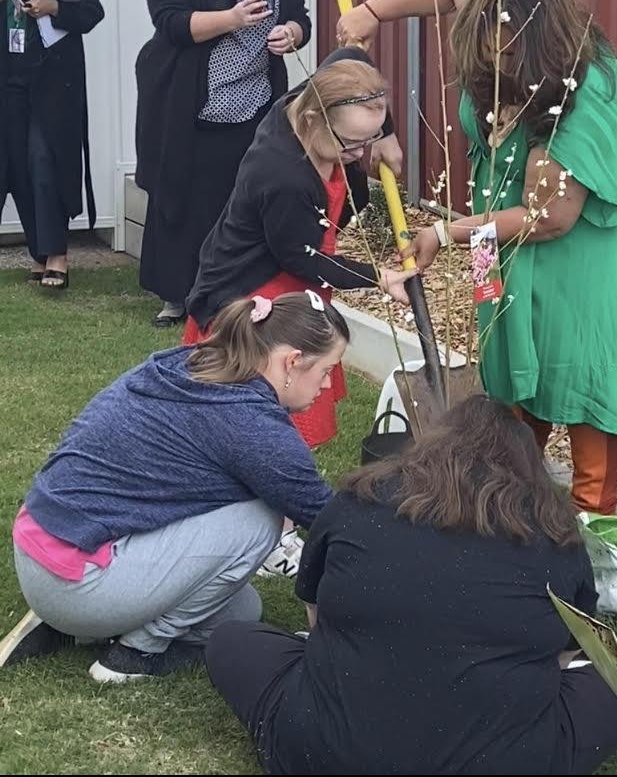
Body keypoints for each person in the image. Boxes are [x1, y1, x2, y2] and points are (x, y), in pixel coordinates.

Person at [206, 396, 617, 775]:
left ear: (430, 446)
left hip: (326, 752)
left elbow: (316, 619)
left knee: (232, 639)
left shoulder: (357, 501)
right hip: (503, 759)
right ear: (530, 470)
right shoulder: (557, 536)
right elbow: (562, 658)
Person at [337, 0, 617, 517]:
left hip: (568, 265)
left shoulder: (583, 94)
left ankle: (598, 547)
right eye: (485, 49)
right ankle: (512, 514)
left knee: (581, 393)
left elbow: (548, 216)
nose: (493, 62)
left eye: (509, 55)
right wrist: (371, 12)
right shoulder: (498, 12)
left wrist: (445, 230)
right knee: (507, 378)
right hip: (493, 248)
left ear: (543, 44)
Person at [0, 291, 346, 683]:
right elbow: (331, 519)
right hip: (76, 578)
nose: (327, 385)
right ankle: (133, 655)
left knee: (241, 612)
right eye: (327, 370)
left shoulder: (190, 363)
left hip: (42, 547)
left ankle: (74, 627)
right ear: (293, 361)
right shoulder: (251, 424)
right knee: (262, 520)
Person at [184, 48, 410, 451]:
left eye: (368, 140)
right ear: (313, 120)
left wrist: (386, 134)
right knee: (261, 431)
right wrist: (378, 277)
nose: (361, 155)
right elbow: (302, 257)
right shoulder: (281, 174)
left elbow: (352, 55)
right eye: (353, 144)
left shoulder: (316, 98)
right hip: (257, 294)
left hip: (297, 280)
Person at [135, 0, 312, 328]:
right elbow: (171, 23)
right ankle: (177, 294)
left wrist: (290, 33)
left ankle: (237, 292)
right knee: (183, 195)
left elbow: (300, 16)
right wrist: (232, 18)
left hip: (256, 102)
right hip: (190, 105)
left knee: (242, 201)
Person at [0, 0, 103, 289]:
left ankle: (57, 253)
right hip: (7, 79)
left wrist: (53, 6)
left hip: (52, 78)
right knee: (17, 166)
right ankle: (39, 251)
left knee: (44, 159)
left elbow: (92, 11)